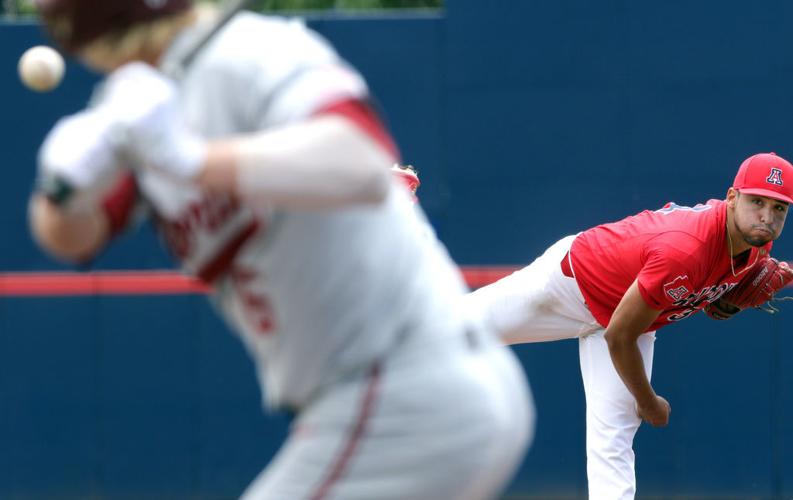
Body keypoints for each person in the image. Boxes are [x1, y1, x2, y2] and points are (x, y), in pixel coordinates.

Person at [27, 1, 533, 498]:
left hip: (401, 386)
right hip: (379, 396)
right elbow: (73, 239)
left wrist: (194, 160)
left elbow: (362, 163)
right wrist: (61, 192)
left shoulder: (249, 49)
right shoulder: (135, 106)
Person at [464, 152, 793, 500]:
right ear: (732, 197)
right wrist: (647, 400)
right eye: (757, 201)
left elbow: (633, 322)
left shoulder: (757, 244)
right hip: (569, 285)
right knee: (451, 332)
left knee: (615, 437)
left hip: (632, 317)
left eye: (779, 208)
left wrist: (721, 296)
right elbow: (619, 336)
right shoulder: (684, 249)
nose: (767, 216)